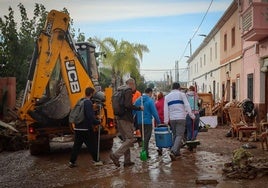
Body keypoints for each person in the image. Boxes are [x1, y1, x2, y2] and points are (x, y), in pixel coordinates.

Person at [110, 78, 143, 167]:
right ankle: (115, 155)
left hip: (118, 118)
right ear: (131, 84)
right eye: (134, 85)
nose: (135, 87)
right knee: (130, 139)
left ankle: (127, 161)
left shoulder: (119, 90)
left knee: (126, 139)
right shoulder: (128, 90)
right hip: (125, 118)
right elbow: (128, 105)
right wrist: (139, 108)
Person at [69, 87, 103, 168]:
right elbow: (90, 116)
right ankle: (97, 160)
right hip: (86, 128)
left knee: (76, 146)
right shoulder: (88, 103)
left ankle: (72, 161)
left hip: (78, 127)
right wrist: (97, 122)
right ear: (91, 94)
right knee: (92, 144)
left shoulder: (81, 101)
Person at [164, 82, 195, 161]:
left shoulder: (167, 97)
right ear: (179, 88)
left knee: (175, 135)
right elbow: (187, 105)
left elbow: (165, 109)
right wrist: (192, 115)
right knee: (179, 135)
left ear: (172, 88)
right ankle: (174, 151)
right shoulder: (182, 95)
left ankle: (177, 152)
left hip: (172, 119)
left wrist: (166, 120)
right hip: (181, 117)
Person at [134, 88, 161, 158]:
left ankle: (146, 153)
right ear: (150, 93)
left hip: (140, 122)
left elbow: (133, 111)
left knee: (143, 137)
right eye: (151, 93)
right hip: (148, 122)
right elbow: (154, 112)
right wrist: (159, 122)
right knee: (146, 138)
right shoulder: (150, 101)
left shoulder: (138, 100)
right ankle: (144, 151)